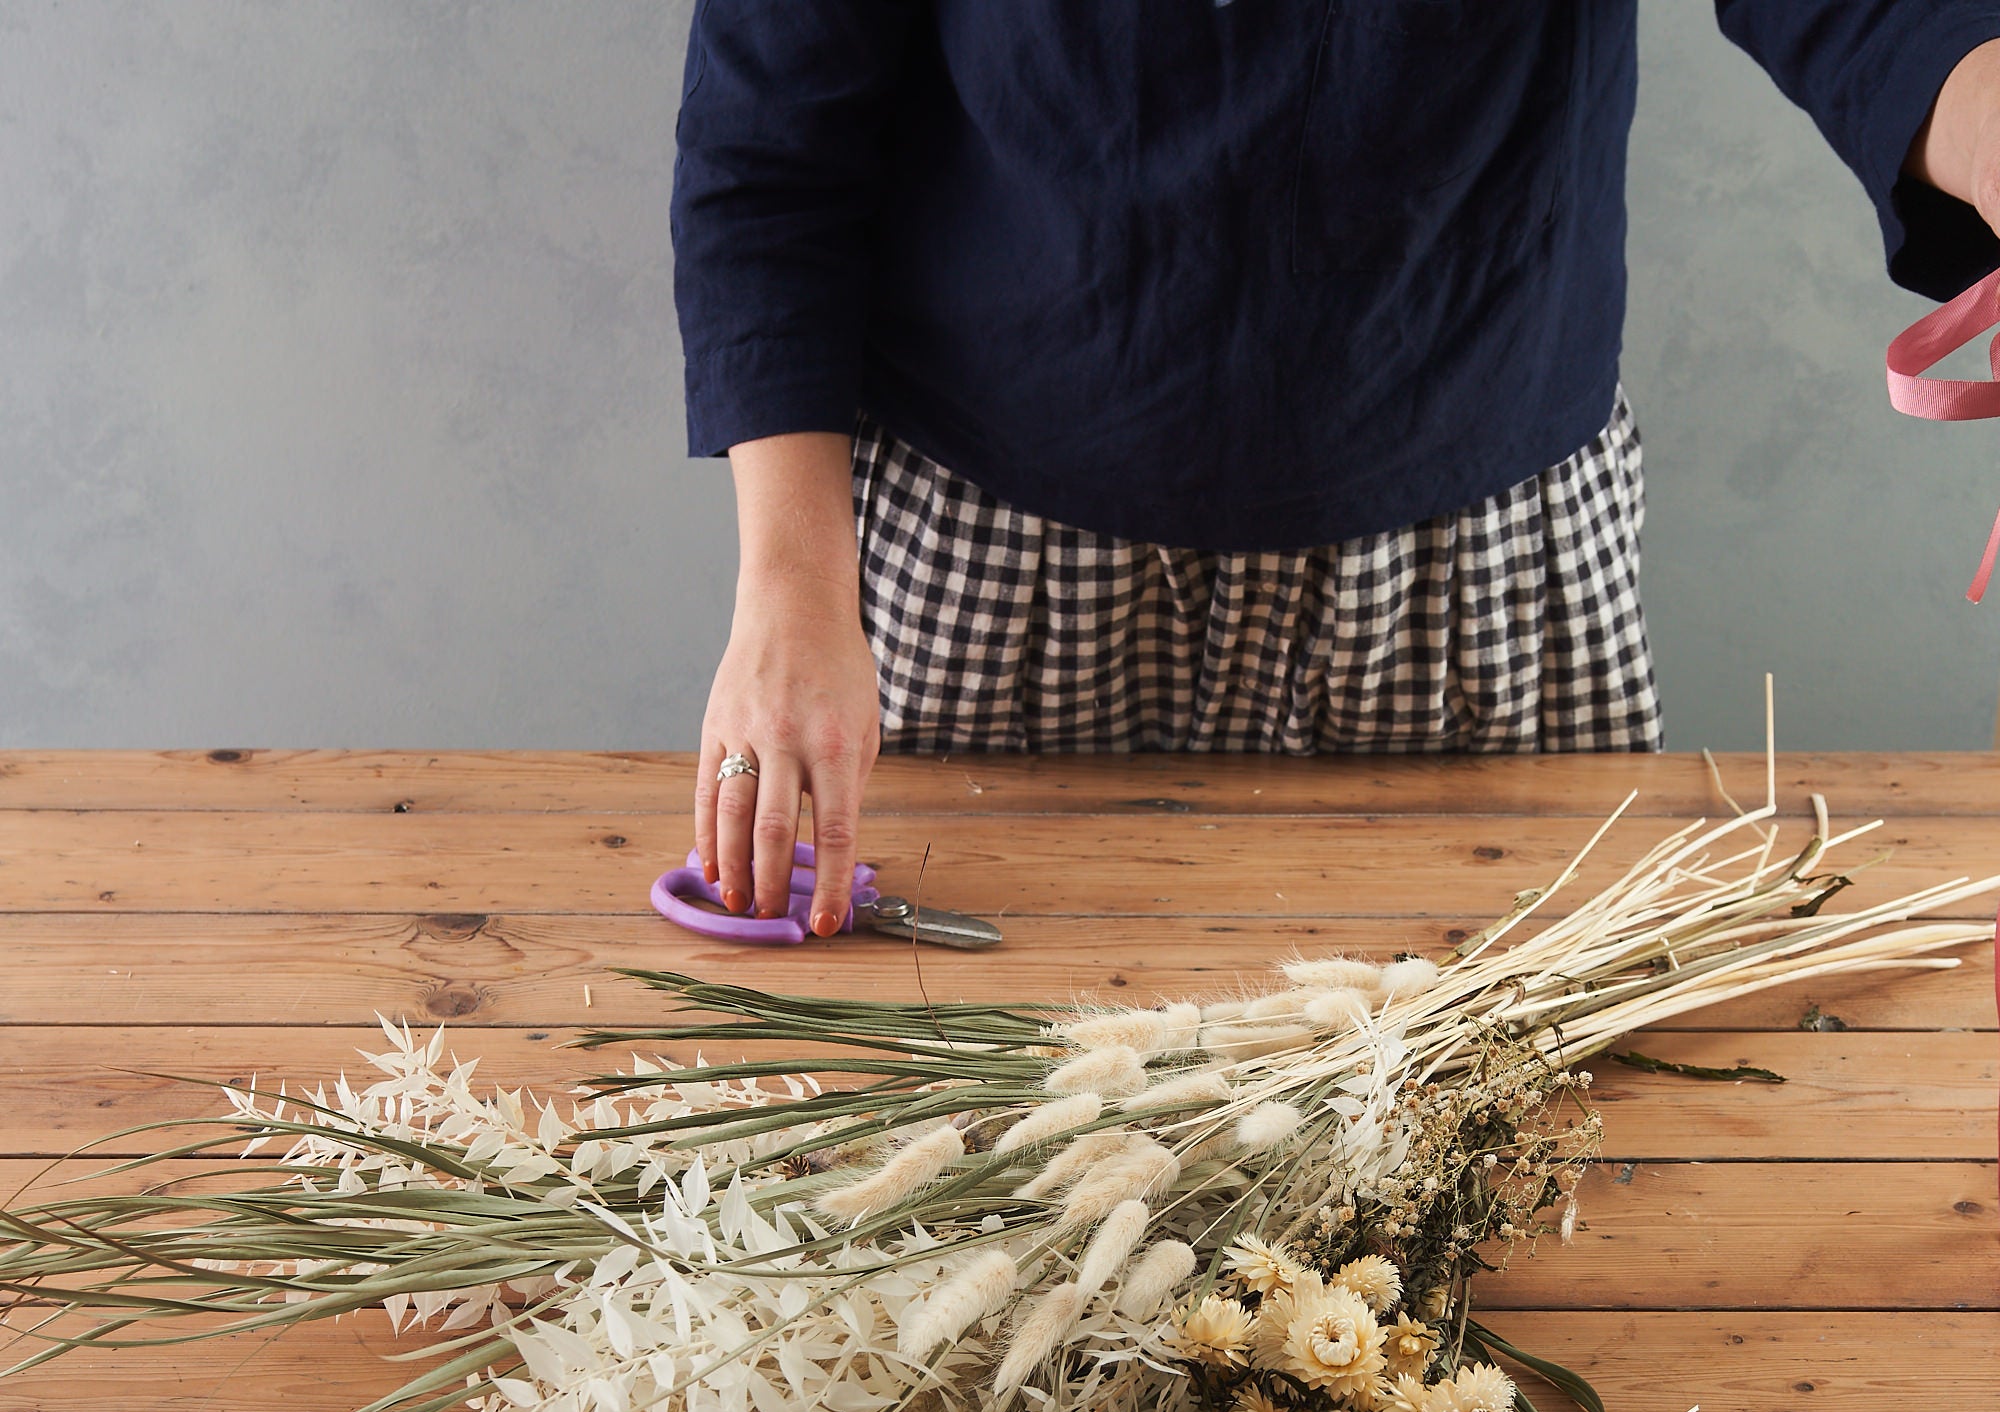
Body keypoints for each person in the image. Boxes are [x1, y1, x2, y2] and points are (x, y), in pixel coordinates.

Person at [670, 5, 2000, 935]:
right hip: (999, 561)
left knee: (1525, 1150)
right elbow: (769, 145)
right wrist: (790, 590)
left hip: (1481, 554)